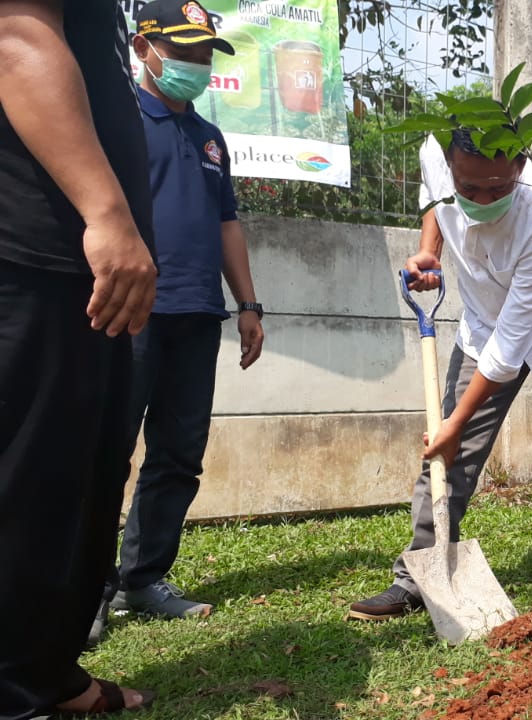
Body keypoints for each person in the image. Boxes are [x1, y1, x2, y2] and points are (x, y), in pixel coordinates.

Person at [347, 128, 532, 621]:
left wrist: (457, 422)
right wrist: (429, 250)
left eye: (496, 189)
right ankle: (417, 573)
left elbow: (510, 347)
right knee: (447, 452)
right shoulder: (436, 154)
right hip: (484, 319)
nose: (480, 200)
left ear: (520, 168)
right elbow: (435, 200)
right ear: (452, 167)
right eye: (468, 188)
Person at [0, 1, 159, 717]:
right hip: (35, 250)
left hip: (77, 270)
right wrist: (107, 213)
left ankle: (45, 673)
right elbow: (15, 37)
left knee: (78, 479)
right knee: (29, 479)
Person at [90, 0, 264, 641]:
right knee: (104, 453)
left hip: (197, 314)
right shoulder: (118, 122)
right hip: (126, 312)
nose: (195, 65)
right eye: (184, 52)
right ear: (144, 48)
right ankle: (89, 589)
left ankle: (142, 579)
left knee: (178, 455)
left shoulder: (209, 138)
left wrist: (247, 304)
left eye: (203, 55)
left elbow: (227, 224)